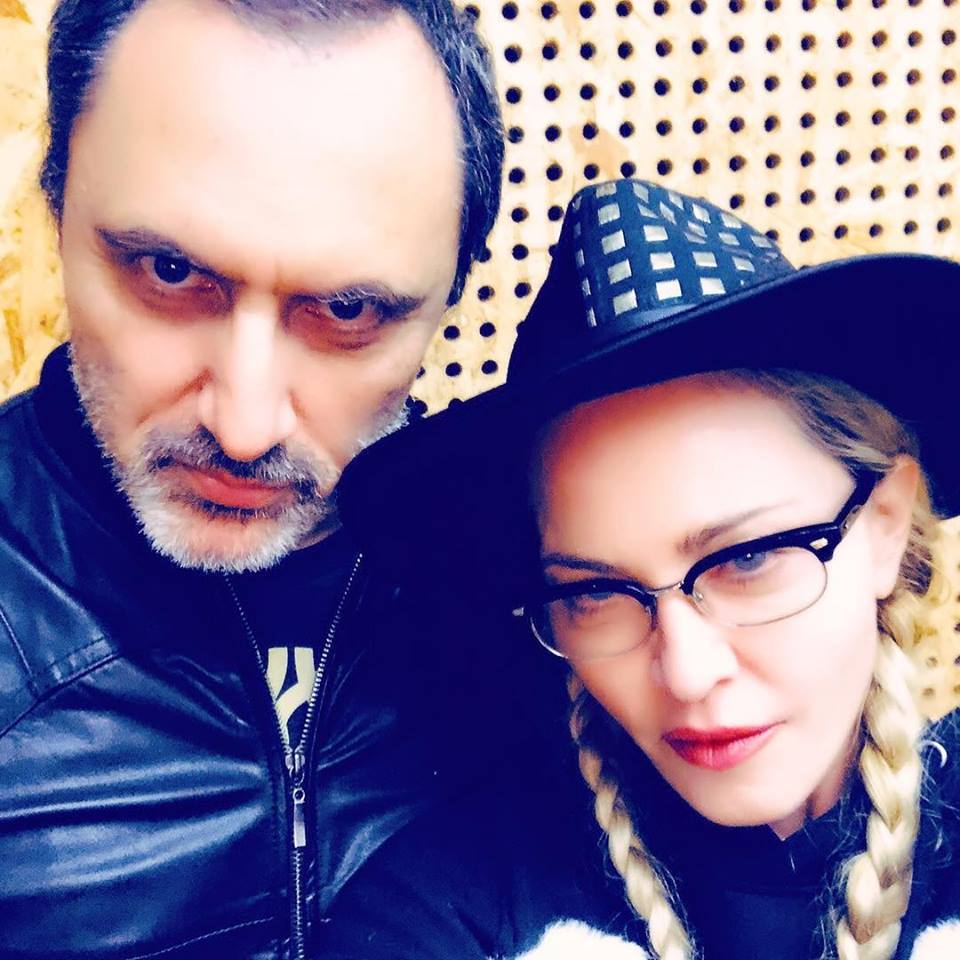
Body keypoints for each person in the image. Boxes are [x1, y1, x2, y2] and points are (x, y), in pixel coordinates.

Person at [0, 2, 555, 958]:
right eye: (169, 271)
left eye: (347, 311)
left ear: (450, 295)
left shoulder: (566, 596)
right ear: (55, 203)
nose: (245, 425)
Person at [322, 179, 960, 960]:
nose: (687, 674)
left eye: (748, 558)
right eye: (595, 594)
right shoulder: (447, 911)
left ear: (885, 527)